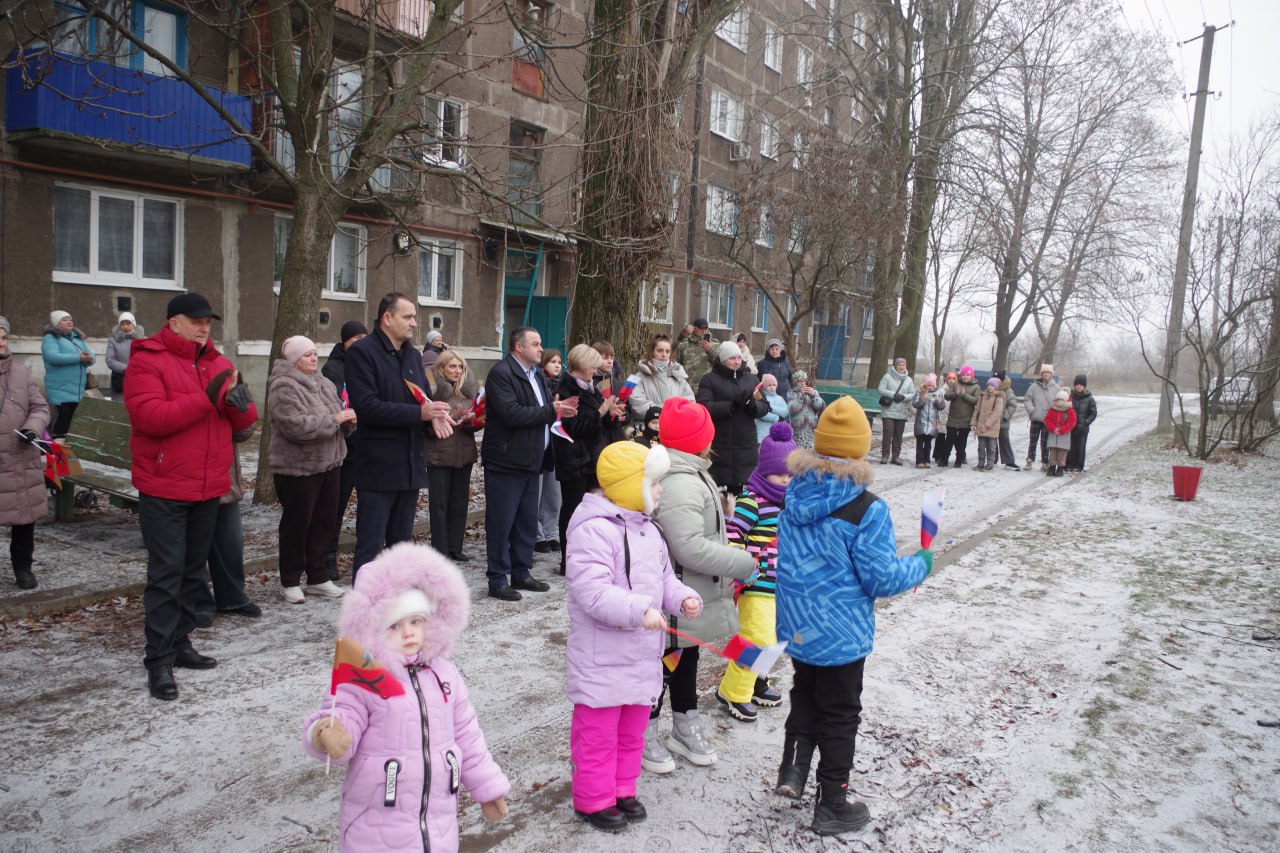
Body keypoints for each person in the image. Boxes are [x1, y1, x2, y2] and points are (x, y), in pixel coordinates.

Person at [773, 395, 932, 835]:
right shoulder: (867, 508)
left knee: (805, 691)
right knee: (841, 712)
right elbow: (879, 578)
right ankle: (833, 803)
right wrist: (919, 564)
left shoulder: (795, 492)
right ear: (859, 449)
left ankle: (792, 772)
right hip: (841, 633)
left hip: (798, 625)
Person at [303, 543, 510, 849]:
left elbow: (468, 735)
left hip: (439, 822)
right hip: (376, 822)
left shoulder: (445, 675)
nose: (409, 632)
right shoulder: (365, 677)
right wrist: (327, 733)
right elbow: (342, 713)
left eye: (415, 621)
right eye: (395, 625)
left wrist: (488, 788)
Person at [126, 292, 257, 701]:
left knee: (191, 571)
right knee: (165, 574)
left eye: (209, 321)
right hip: (165, 486)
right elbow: (150, 419)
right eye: (196, 320)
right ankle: (158, 660)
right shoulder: (147, 359)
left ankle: (180, 644)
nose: (204, 327)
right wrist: (207, 398)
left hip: (208, 486)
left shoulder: (218, 362)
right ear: (173, 323)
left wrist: (240, 404)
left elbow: (244, 421)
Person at [564, 441, 701, 831]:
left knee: (631, 731)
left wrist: (682, 598)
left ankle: (622, 789)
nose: (660, 491)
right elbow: (591, 592)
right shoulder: (592, 531)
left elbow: (663, 580)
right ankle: (593, 799)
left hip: (642, 657)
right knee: (598, 734)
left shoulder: (649, 530)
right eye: (655, 484)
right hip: (602, 658)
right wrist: (640, 610)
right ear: (629, 486)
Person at [648, 398, 756, 770]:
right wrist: (740, 562)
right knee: (664, 664)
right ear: (697, 441)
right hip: (676, 594)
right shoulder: (680, 482)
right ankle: (645, 731)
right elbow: (688, 547)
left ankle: (684, 721)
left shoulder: (692, 473)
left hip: (691, 596)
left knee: (686, 658)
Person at [345, 294, 452, 582]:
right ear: (387, 318)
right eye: (408, 317)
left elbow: (419, 400)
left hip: (410, 464)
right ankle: (365, 617)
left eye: (415, 317)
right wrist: (421, 415)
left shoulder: (412, 355)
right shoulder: (362, 352)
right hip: (379, 467)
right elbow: (367, 407)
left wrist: (435, 417)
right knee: (370, 550)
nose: (414, 324)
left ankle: (396, 612)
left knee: (401, 549)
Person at [481, 326, 579, 601]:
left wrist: (560, 410)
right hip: (505, 460)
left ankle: (521, 571)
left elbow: (544, 411)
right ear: (518, 347)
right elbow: (512, 414)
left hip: (532, 459)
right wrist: (552, 410)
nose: (540, 348)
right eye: (534, 344)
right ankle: (497, 578)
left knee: (525, 521)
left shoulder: (536, 375)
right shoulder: (501, 374)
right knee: (502, 522)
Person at [716, 422, 795, 723]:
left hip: (784, 587)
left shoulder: (791, 505)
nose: (785, 481)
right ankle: (733, 692)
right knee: (755, 637)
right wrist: (743, 567)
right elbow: (733, 539)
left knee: (775, 638)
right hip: (757, 585)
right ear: (764, 472)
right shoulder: (753, 502)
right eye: (779, 474)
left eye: (790, 475)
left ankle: (756, 680)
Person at [268, 335, 354, 603]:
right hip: (298, 468)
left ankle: (318, 576)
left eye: (315, 353)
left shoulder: (324, 382)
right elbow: (294, 425)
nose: (314, 358)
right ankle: (290, 579)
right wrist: (335, 419)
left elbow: (339, 412)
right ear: (294, 359)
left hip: (330, 463)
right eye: (307, 355)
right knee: (297, 524)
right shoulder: (283, 385)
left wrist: (348, 420)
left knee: (324, 522)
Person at [555, 344, 625, 575]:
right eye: (592, 367)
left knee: (594, 512)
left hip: (594, 460)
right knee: (573, 511)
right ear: (583, 365)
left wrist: (612, 415)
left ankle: (591, 557)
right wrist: (600, 412)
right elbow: (573, 426)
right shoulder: (565, 389)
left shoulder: (592, 387)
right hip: (574, 461)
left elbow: (601, 422)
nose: (596, 371)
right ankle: (568, 560)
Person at [192, 424, 262, 622]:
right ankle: (197, 601)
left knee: (230, 540)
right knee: (195, 544)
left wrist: (237, 405)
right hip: (191, 470)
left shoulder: (228, 390)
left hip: (223, 473)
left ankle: (232, 596)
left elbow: (244, 431)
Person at [0, 316, 50, 590]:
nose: (1, 343)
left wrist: (32, 429)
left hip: (19, 457)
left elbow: (40, 407)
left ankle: (23, 568)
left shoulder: (21, 373)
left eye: (4, 337)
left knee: (23, 518)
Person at [321, 320, 368, 582]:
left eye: (365, 337)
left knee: (368, 508)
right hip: (345, 449)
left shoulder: (369, 364)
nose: (361, 342)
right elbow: (338, 400)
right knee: (335, 509)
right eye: (356, 338)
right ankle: (327, 560)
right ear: (345, 342)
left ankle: (366, 560)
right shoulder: (333, 368)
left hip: (368, 448)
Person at [423, 350, 480, 561]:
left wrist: (472, 421)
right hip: (438, 456)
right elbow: (426, 429)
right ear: (441, 368)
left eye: (460, 367)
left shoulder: (467, 394)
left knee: (459, 503)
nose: (457, 371)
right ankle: (440, 549)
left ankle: (455, 546)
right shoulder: (433, 394)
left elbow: (473, 429)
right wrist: (450, 418)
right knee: (439, 504)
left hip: (463, 455)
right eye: (452, 367)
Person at [696, 340, 768, 494]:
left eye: (738, 358)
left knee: (746, 488)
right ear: (722, 360)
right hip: (720, 441)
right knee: (720, 487)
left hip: (746, 442)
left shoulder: (751, 379)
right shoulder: (709, 379)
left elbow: (765, 405)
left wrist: (754, 407)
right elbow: (703, 406)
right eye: (732, 358)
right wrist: (729, 406)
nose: (736, 362)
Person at [41, 309, 95, 437]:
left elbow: (91, 355)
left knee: (74, 419)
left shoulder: (78, 338)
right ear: (56, 324)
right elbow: (52, 357)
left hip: (77, 388)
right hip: (60, 387)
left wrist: (89, 358)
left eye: (70, 319)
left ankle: (69, 447)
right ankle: (57, 444)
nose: (69, 322)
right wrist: (78, 357)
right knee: (63, 417)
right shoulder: (51, 338)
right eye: (64, 320)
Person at [535, 348, 564, 553]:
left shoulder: (563, 386)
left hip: (556, 443)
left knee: (554, 493)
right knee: (536, 491)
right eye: (552, 361)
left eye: (559, 361)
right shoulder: (538, 384)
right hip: (540, 442)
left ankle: (550, 531)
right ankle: (537, 533)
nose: (556, 365)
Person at [628, 334, 694, 424]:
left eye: (667, 351)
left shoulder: (678, 375)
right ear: (652, 352)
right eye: (660, 351)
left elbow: (690, 402)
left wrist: (677, 412)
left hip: (674, 428)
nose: (664, 354)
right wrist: (666, 411)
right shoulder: (638, 377)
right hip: (648, 430)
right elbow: (637, 405)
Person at [876, 357, 914, 465]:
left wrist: (903, 397)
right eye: (899, 365)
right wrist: (893, 394)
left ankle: (896, 456)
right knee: (888, 433)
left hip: (902, 411)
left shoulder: (909, 380)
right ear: (895, 366)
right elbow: (880, 389)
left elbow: (912, 393)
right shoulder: (887, 377)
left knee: (898, 434)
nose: (901, 367)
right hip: (888, 410)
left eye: (903, 365)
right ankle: (885, 455)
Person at [590, 339, 628, 443]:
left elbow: (626, 406)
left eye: (612, 357)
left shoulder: (615, 381)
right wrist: (609, 416)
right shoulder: (589, 382)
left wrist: (623, 415)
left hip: (616, 435)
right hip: (597, 436)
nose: (610, 361)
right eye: (605, 358)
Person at [942, 365, 980, 468]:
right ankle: (944, 459)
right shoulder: (956, 384)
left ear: (971, 376)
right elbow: (946, 396)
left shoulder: (975, 387)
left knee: (962, 442)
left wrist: (964, 395)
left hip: (966, 419)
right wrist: (955, 394)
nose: (965, 377)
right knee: (949, 439)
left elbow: (976, 401)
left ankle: (959, 460)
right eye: (963, 375)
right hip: (953, 418)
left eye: (968, 375)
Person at [1023, 364, 1059, 472]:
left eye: (1048, 373)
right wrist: (1032, 410)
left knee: (1045, 442)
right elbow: (1027, 399)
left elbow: (1060, 401)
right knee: (1033, 441)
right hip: (1036, 418)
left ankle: (1045, 462)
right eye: (1044, 373)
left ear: (1051, 374)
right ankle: (1029, 460)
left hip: (1049, 420)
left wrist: (1055, 414)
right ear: (1042, 374)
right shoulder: (1034, 386)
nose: (1046, 374)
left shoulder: (1056, 388)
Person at [104, 311, 143, 397]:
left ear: (133, 324)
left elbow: (149, 358)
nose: (125, 326)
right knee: (120, 407)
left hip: (139, 378)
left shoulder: (143, 340)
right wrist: (126, 368)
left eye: (128, 323)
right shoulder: (113, 340)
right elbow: (109, 360)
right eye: (122, 324)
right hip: (120, 379)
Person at [970, 377, 1005, 472]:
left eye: (992, 385)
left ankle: (990, 464)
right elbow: (976, 410)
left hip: (992, 427)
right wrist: (973, 423)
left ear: (996, 387)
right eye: (989, 385)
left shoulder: (999, 398)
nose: (990, 387)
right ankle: (980, 463)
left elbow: (997, 413)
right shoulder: (982, 397)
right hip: (981, 426)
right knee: (981, 447)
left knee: (991, 447)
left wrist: (987, 425)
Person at [911, 373, 943, 469]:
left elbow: (942, 407)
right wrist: (922, 400)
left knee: (928, 444)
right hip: (921, 422)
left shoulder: (938, 393)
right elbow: (915, 404)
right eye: (928, 385)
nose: (930, 387)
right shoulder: (919, 392)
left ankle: (927, 460)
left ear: (935, 385)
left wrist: (938, 401)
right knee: (920, 443)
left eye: (932, 385)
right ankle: (919, 461)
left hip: (932, 423)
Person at [786, 369, 825, 449]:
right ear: (796, 382)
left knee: (811, 453)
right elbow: (791, 410)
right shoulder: (791, 393)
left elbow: (822, 407)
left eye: (804, 381)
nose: (803, 383)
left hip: (811, 429)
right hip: (797, 429)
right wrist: (801, 396)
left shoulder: (813, 392)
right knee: (798, 453)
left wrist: (814, 396)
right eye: (800, 381)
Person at [1067, 375, 1098, 473]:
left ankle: (1078, 466)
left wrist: (1086, 422)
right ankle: (1069, 465)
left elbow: (1093, 413)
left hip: (1082, 428)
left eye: (1081, 385)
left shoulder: (1089, 398)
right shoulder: (1070, 396)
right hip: (1070, 426)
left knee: (1080, 448)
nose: (1078, 387)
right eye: (1077, 384)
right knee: (1070, 447)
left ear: (1084, 386)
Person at [675, 318, 717, 390]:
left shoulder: (714, 344)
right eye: (701, 328)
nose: (703, 331)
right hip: (687, 387)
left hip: (706, 388)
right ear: (694, 328)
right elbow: (676, 364)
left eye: (705, 328)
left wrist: (711, 350)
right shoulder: (684, 345)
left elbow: (720, 363)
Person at [1043, 389, 1077, 477]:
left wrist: (1063, 429)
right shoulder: (1052, 409)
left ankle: (1060, 467)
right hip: (1053, 433)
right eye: (1059, 399)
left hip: (1064, 434)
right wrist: (1053, 428)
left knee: (1062, 452)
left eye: (1062, 399)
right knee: (1053, 451)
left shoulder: (1069, 410)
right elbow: (1047, 420)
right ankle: (1052, 466)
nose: (1060, 401)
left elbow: (1072, 422)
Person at [994, 370, 1021, 470]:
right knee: (991, 442)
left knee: (1004, 440)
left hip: (1002, 422)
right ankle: (992, 459)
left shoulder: (1008, 391)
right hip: (992, 421)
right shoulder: (991, 388)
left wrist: (1004, 416)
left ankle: (1009, 461)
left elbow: (1012, 405)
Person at [755, 372, 789, 443]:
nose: (772, 387)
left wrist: (770, 407)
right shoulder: (760, 398)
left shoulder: (780, 398)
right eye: (769, 385)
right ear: (764, 386)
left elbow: (785, 411)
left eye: (774, 385)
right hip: (763, 433)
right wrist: (776, 418)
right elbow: (761, 413)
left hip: (778, 434)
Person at [932, 372, 955, 466]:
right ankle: (937, 455)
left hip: (952, 416)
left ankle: (945, 455)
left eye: (953, 379)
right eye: (950, 378)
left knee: (949, 437)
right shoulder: (941, 391)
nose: (951, 380)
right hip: (942, 415)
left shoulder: (956, 390)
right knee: (940, 436)